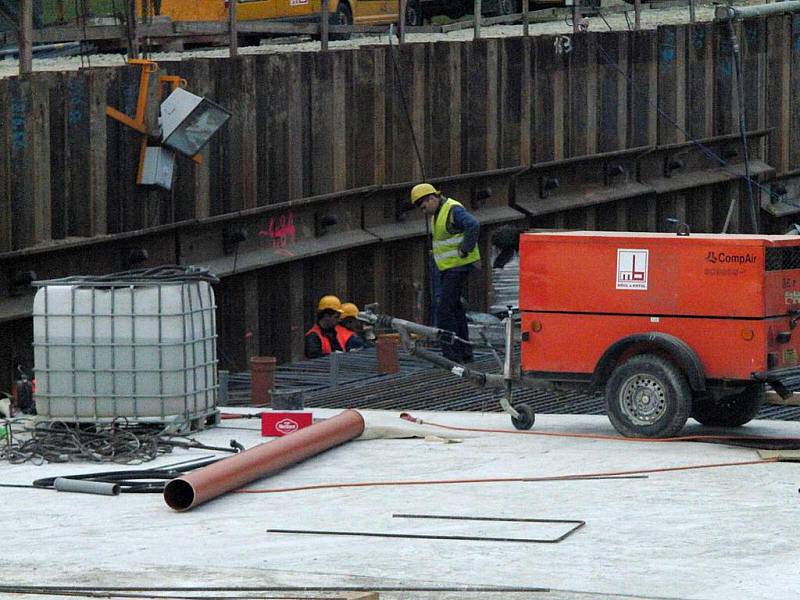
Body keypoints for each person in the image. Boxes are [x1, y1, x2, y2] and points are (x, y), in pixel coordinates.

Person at [410, 183, 480, 363]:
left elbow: (473, 224)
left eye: (424, 207)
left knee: (444, 309)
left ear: (432, 199)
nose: (423, 211)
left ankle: (451, 354)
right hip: (450, 267)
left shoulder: (452, 210)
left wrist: (465, 249)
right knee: (455, 308)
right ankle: (464, 351)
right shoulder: (440, 212)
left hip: (458, 266)